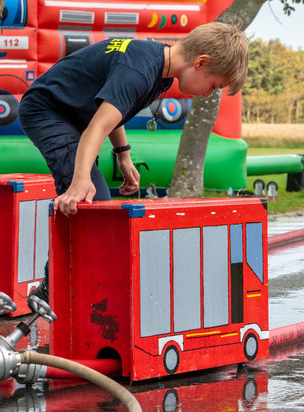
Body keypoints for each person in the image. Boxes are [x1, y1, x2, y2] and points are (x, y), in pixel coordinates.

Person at [18, 21, 249, 304]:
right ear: (201, 62)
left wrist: (123, 153)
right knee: (92, 203)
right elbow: (97, 128)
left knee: (97, 205)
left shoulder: (158, 67)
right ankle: (53, 292)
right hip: (48, 110)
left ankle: (64, 286)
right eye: (214, 86)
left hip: (75, 114)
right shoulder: (140, 70)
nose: (208, 94)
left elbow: (110, 107)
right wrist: (80, 181)